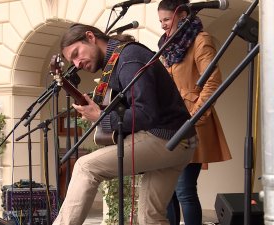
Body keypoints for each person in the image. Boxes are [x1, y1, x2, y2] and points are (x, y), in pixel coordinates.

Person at [52, 23, 197, 225]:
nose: (76, 64)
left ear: (90, 37)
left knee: (85, 167)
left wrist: (101, 117)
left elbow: (146, 114)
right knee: (150, 217)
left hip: (166, 137)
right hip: (181, 140)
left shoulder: (129, 59)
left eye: (77, 53)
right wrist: (101, 113)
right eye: (72, 60)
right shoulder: (117, 60)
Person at [157, 0, 232, 224]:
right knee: (167, 192)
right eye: (160, 21)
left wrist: (193, 117)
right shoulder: (166, 45)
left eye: (166, 19)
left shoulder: (200, 40)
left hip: (191, 123)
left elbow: (212, 81)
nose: (162, 25)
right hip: (169, 125)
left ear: (181, 15)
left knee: (184, 189)